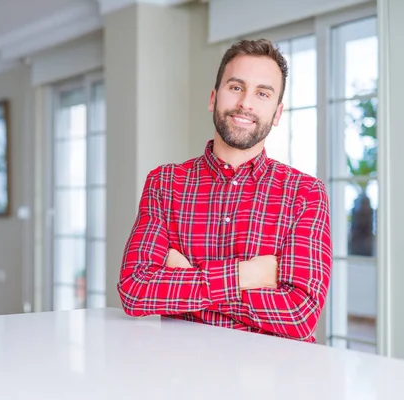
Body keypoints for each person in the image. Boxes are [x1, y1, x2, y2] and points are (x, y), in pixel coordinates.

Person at [117, 38, 332, 342]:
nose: (246, 102)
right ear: (213, 98)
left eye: (262, 93)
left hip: (273, 382)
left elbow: (300, 315)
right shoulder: (165, 183)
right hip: (183, 377)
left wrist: (186, 278)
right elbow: (135, 290)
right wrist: (248, 276)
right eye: (236, 87)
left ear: (277, 113)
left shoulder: (305, 193)